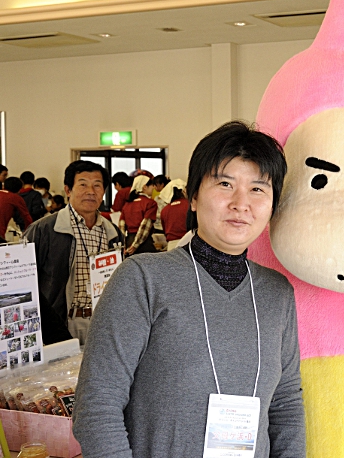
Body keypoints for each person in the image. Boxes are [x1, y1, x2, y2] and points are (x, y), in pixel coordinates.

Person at [73, 121, 305, 457]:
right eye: (225, 184)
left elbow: (286, 406)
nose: (241, 203)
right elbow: (97, 406)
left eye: (258, 189)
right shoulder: (142, 279)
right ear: (193, 197)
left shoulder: (276, 293)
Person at [24, 161, 124, 345]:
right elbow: (25, 282)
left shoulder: (113, 233)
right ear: (68, 190)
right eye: (83, 184)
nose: (91, 191)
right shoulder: (44, 230)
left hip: (102, 323)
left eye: (97, 186)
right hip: (61, 324)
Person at [118, 175, 158, 255]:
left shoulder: (127, 204)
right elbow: (145, 226)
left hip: (129, 241)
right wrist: (135, 245)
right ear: (144, 187)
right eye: (151, 185)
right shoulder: (150, 203)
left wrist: (123, 246)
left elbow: (121, 227)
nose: (153, 188)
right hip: (144, 243)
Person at [160, 182, 190, 250]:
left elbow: (165, 230)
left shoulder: (165, 210)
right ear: (183, 191)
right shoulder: (189, 205)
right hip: (188, 242)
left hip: (172, 245)